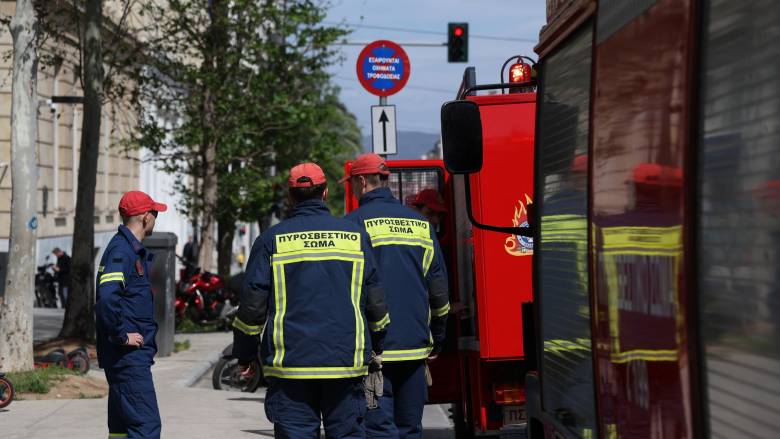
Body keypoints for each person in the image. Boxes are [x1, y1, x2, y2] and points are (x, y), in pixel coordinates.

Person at [233, 162, 390, 438]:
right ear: (326, 193)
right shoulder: (355, 237)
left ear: (290, 197)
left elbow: (252, 309)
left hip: (291, 368)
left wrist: (245, 355)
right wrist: (377, 345)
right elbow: (375, 301)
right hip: (345, 365)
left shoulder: (271, 240)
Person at [343, 153, 450, 439]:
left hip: (374, 354)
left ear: (362, 181)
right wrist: (437, 337)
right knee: (410, 428)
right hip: (415, 349)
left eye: (353, 183)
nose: (353, 188)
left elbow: (345, 290)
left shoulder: (352, 225)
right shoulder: (421, 225)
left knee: (378, 429)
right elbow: (439, 292)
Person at [94, 190, 167, 439]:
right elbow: (106, 298)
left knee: (121, 429)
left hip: (126, 358)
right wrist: (121, 336)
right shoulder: (121, 252)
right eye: (155, 213)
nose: (156, 218)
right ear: (145, 217)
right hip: (128, 358)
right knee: (146, 426)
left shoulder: (128, 250)